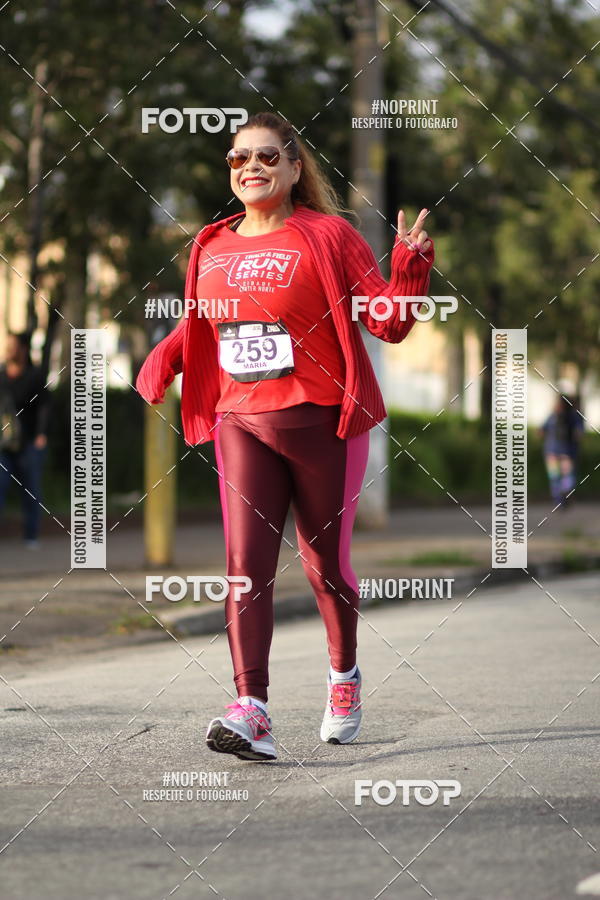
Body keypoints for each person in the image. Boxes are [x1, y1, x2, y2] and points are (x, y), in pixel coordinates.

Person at [136, 111, 434, 761]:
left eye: (267, 156)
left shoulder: (328, 235)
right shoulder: (211, 244)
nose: (251, 167)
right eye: (239, 158)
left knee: (326, 568)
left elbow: (386, 322)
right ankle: (253, 709)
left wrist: (410, 270)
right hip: (241, 421)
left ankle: (344, 676)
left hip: (323, 421)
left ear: (296, 169)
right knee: (245, 568)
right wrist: (169, 353)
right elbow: (206, 322)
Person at [0, 332, 50, 547]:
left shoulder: (34, 376)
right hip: (4, 443)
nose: (8, 350)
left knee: (31, 490)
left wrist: (41, 434)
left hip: (28, 441)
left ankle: (31, 536)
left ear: (23, 349)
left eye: (13, 346)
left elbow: (44, 406)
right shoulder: (1, 375)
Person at [540, 394, 583, 507]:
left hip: (551, 450)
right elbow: (579, 434)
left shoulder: (553, 416)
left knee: (554, 477)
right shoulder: (575, 416)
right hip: (567, 451)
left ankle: (558, 500)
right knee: (567, 476)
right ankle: (564, 495)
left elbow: (541, 431)